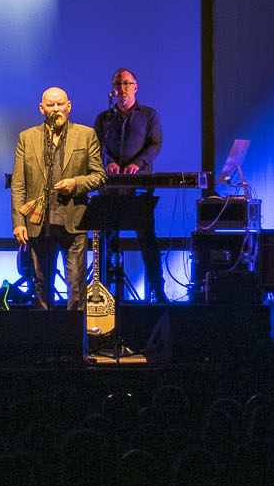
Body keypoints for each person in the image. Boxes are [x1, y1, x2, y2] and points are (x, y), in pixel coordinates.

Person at [11, 86, 106, 310]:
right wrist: (18, 222)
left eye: (60, 104)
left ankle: (74, 339)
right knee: (41, 286)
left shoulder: (86, 134)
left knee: (76, 286)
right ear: (42, 108)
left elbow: (99, 176)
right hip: (39, 223)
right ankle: (45, 339)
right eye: (51, 105)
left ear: (69, 107)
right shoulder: (27, 137)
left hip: (73, 220)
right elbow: (18, 183)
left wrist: (75, 184)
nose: (56, 109)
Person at [92, 67, 166, 301]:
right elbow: (95, 146)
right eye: (117, 84)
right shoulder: (104, 118)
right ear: (112, 89)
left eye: (126, 83)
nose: (122, 88)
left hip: (138, 188)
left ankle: (157, 288)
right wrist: (109, 162)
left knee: (147, 238)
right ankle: (103, 291)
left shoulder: (149, 115)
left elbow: (154, 144)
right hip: (110, 189)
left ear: (135, 86)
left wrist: (138, 163)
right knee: (106, 239)